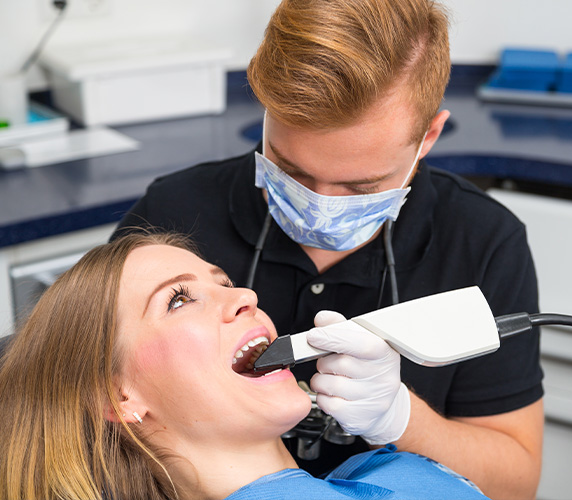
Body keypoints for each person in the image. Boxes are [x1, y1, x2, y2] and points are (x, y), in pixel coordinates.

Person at [114, 0, 543, 498]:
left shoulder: (483, 240)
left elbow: (515, 485)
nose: (319, 206)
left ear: (428, 136)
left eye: (361, 187)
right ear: (266, 107)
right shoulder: (172, 214)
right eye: (291, 171)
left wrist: (400, 417)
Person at [0, 232, 491, 500]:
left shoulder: (385, 469)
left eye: (225, 281)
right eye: (177, 299)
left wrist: (399, 417)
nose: (245, 296)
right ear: (117, 397)